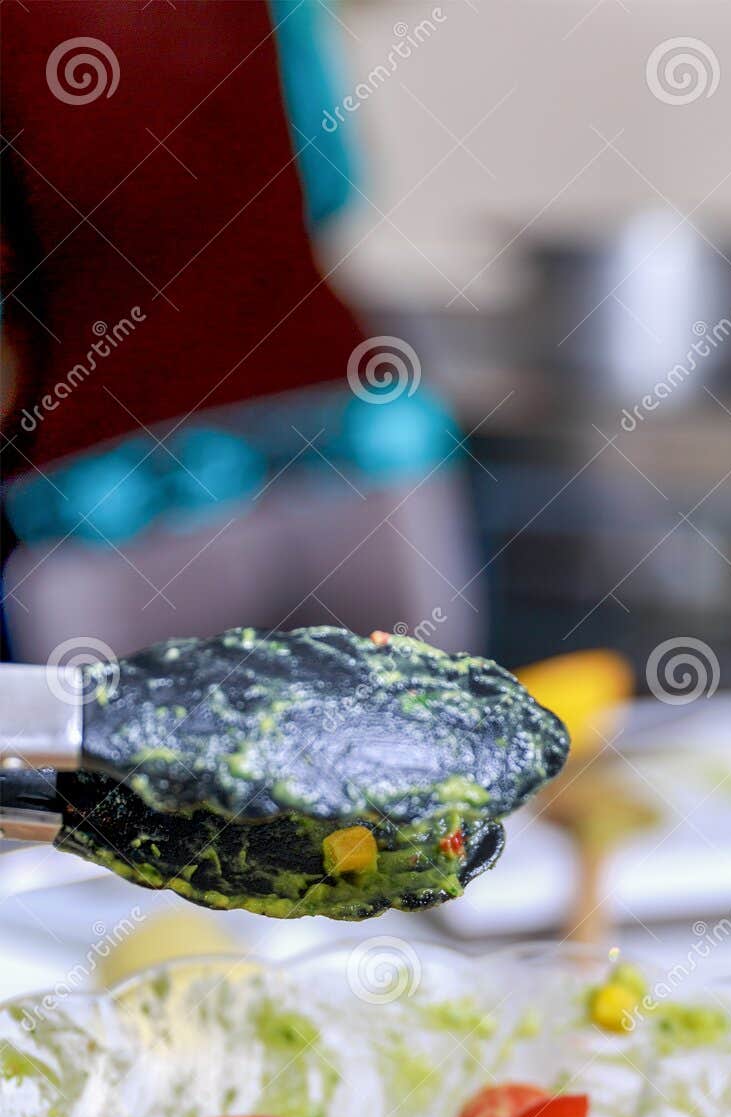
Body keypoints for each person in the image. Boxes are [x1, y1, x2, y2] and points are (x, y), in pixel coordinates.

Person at [0, 0, 479, 664]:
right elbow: (333, 181)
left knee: (125, 764)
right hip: (347, 444)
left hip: (111, 495)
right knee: (420, 744)